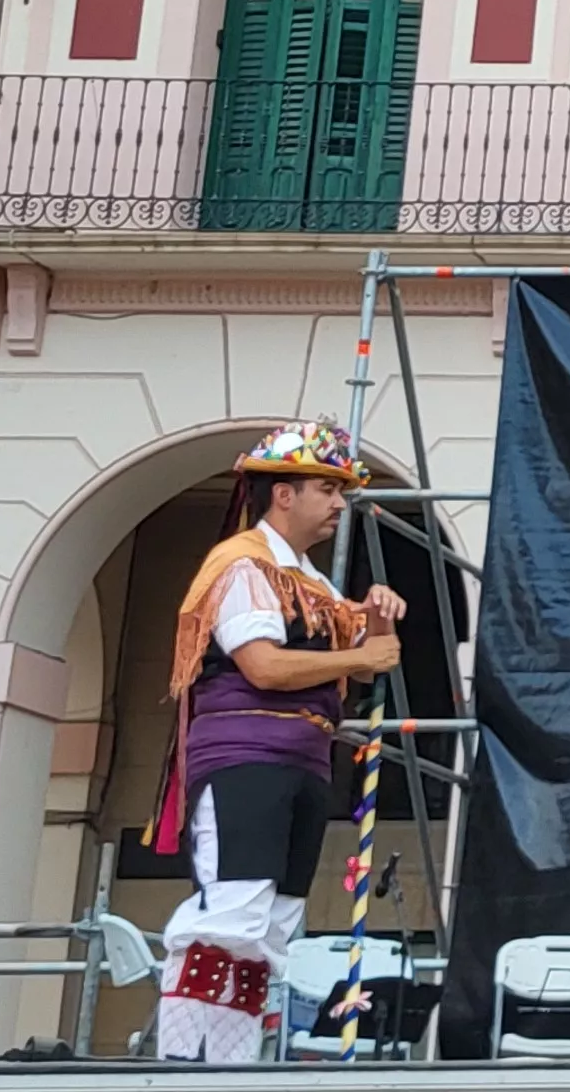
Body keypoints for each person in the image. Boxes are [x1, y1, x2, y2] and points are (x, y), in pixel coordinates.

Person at [153, 419, 408, 1062]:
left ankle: (231, 1065)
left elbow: (361, 658)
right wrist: (361, 655)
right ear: (283, 494)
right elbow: (263, 666)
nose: (338, 504)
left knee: (274, 921)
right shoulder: (243, 564)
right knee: (233, 910)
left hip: (302, 759)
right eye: (327, 487)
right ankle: (183, 1062)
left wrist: (374, 617)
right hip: (247, 755)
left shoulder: (313, 583)